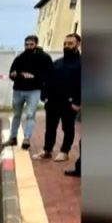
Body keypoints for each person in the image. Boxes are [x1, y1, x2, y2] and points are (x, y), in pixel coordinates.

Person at [35, 33, 82, 162]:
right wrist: (44, 96)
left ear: (78, 44)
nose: (66, 46)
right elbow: (47, 80)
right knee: (50, 128)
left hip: (70, 103)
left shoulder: (81, 64)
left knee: (67, 128)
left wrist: (77, 102)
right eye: (65, 44)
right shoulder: (57, 63)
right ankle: (47, 150)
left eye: (70, 44)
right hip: (53, 102)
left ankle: (64, 151)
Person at [7, 35, 52, 149]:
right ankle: (13, 137)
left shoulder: (44, 58)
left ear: (36, 44)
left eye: (31, 44)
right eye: (26, 44)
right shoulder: (19, 58)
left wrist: (34, 77)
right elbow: (12, 73)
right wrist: (15, 75)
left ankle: (26, 139)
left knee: (30, 115)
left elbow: (49, 74)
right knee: (16, 114)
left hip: (34, 91)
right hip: (18, 90)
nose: (28, 47)